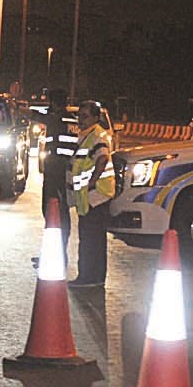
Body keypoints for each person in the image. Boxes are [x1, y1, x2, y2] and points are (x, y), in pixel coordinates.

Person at [68, 100, 115, 289]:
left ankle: (89, 277)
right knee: (92, 238)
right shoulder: (86, 136)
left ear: (96, 118)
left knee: (90, 239)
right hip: (90, 197)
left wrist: (91, 182)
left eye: (85, 116)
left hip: (97, 196)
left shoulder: (97, 136)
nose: (80, 119)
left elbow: (102, 158)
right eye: (79, 116)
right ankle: (93, 277)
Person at [39, 89, 76, 264]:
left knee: (52, 210)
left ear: (53, 103)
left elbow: (39, 116)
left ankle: (56, 253)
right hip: (65, 169)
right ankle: (57, 251)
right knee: (61, 211)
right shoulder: (71, 119)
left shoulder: (56, 118)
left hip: (55, 169)